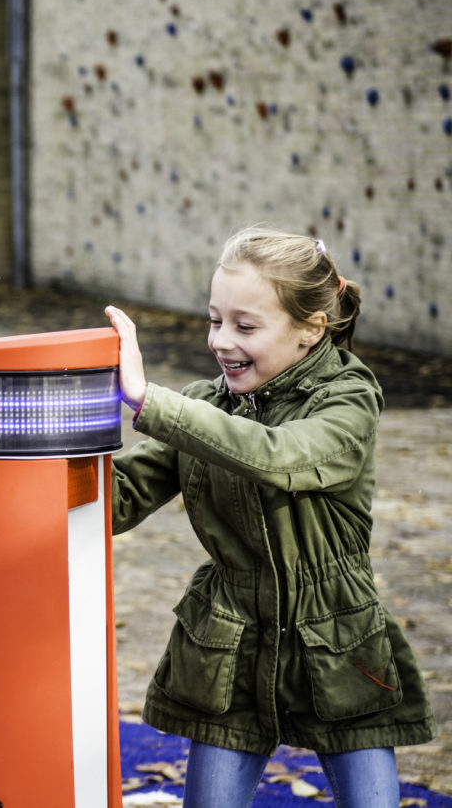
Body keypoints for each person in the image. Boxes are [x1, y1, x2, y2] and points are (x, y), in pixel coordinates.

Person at [104, 227, 435, 808]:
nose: (221, 341)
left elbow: (279, 457)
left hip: (336, 637)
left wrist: (148, 400)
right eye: (214, 320)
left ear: (312, 329)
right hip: (229, 641)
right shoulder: (206, 405)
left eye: (245, 325)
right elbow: (119, 497)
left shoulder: (349, 397)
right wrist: (39, 434)